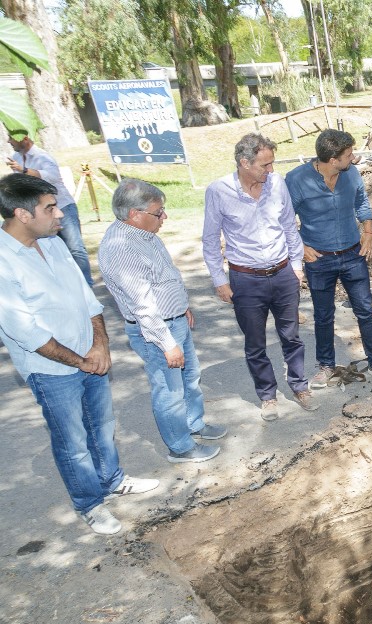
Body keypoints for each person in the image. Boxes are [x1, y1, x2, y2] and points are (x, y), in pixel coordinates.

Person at [0, 173, 158, 535]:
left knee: (102, 426)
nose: (60, 215)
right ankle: (90, 504)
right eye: (50, 208)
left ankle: (112, 479)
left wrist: (99, 345)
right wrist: (82, 359)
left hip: (91, 356)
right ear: (22, 215)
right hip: (50, 369)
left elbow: (88, 299)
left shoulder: (52, 242)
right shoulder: (3, 260)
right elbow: (26, 332)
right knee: (72, 442)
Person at [98, 178, 227, 464]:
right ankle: (180, 447)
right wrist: (167, 343)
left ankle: (194, 424)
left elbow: (163, 278)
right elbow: (142, 305)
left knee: (190, 379)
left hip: (175, 319)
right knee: (170, 390)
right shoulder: (121, 247)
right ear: (135, 214)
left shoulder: (146, 235)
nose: (164, 216)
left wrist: (181, 306)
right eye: (159, 212)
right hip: (157, 331)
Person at [203, 133, 316, 421]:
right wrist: (220, 280)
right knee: (255, 343)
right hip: (246, 280)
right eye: (265, 165)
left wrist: (297, 266)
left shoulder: (276, 184)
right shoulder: (219, 191)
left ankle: (300, 386)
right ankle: (268, 395)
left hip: (282, 274)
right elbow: (210, 240)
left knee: (291, 336)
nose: (271, 171)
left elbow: (290, 226)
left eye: (272, 164)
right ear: (244, 163)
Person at [285, 129, 372, 388]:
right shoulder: (297, 179)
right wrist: (299, 247)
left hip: (353, 254)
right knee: (323, 315)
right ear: (332, 159)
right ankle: (326, 366)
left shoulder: (351, 174)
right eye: (348, 154)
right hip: (319, 259)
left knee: (365, 310)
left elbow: (362, 203)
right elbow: (283, 219)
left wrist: (368, 231)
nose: (353, 158)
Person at [6, 130, 94, 285]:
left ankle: (86, 286)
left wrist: (24, 170)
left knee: (75, 249)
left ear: (24, 138)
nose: (9, 142)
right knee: (50, 249)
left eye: (11, 139)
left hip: (63, 207)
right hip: (39, 213)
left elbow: (51, 176)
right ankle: (64, 284)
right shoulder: (16, 158)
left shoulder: (42, 157)